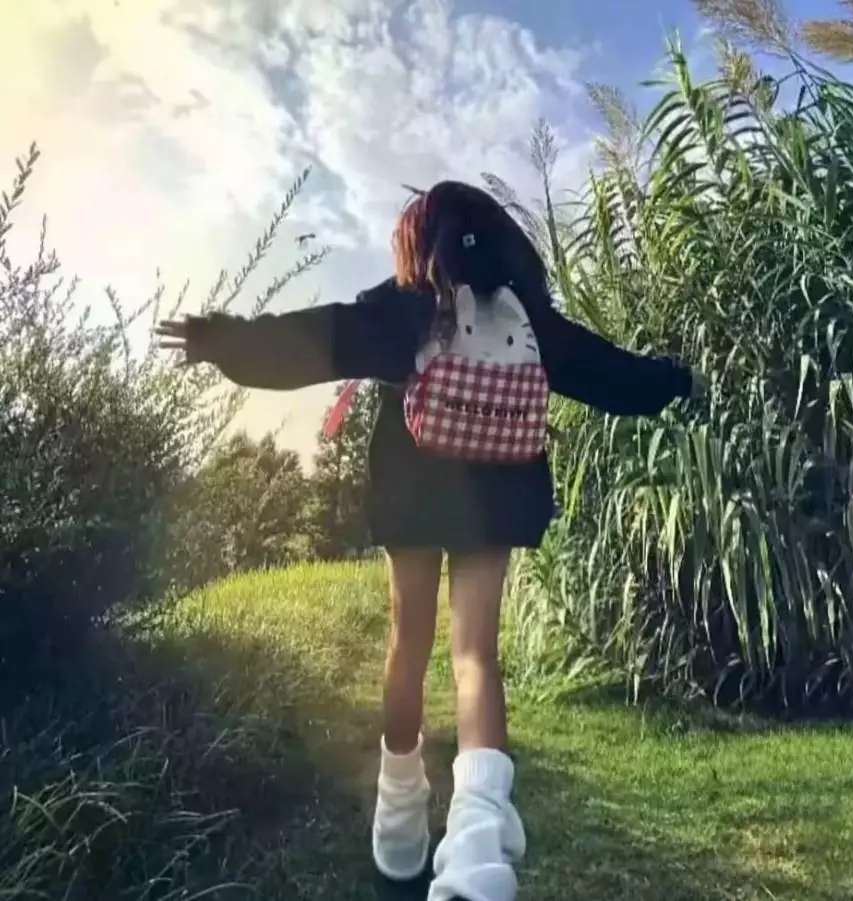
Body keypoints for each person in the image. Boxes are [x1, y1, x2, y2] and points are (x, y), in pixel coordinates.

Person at [155, 180, 707, 901]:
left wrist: (223, 339)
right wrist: (675, 379)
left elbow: (319, 340)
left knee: (406, 646)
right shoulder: (524, 314)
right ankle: (476, 855)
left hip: (411, 490)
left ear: (421, 239)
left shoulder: (411, 304)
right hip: (497, 491)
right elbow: (608, 372)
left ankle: (399, 820)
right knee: (475, 656)